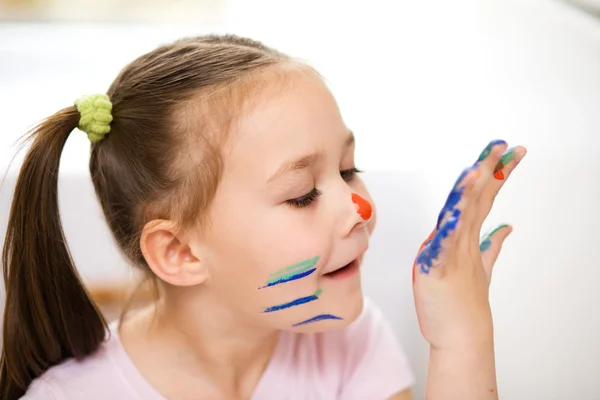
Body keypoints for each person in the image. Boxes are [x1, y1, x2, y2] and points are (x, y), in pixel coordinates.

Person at [0, 34, 526, 399]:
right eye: (302, 195)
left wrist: (462, 338)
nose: (358, 209)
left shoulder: (352, 343)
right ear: (180, 253)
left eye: (348, 169)